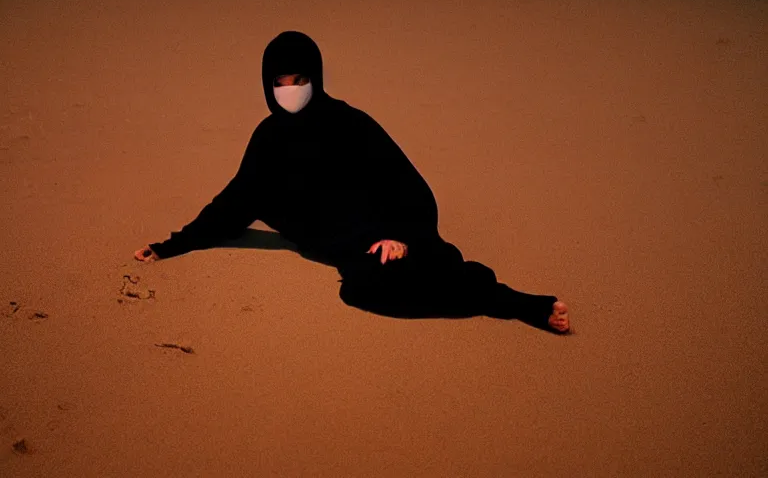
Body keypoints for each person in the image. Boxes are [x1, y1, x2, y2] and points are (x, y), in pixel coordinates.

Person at [134, 30, 570, 334]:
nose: (290, 90)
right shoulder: (268, 139)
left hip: (386, 234)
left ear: (316, 78)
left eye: (300, 80)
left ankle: (524, 305)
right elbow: (232, 204)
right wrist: (171, 245)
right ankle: (515, 302)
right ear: (268, 87)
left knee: (430, 270)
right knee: (364, 290)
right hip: (348, 253)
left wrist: (399, 235)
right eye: (280, 83)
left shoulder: (349, 123)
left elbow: (410, 186)